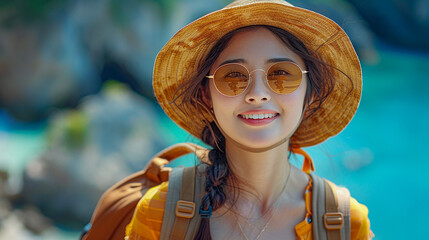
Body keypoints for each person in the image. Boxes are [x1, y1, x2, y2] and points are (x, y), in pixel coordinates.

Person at [125, 0, 374, 239]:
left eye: (282, 75)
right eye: (233, 76)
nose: (257, 94)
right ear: (206, 95)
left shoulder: (345, 223)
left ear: (310, 96)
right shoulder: (160, 213)